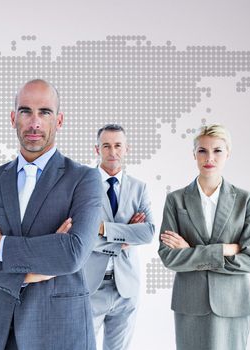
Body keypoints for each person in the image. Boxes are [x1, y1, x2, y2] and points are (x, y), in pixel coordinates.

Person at [0, 79, 101, 350]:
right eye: (25, 111)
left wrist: (0, 245)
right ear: (13, 118)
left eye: (44, 112)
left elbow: (72, 254)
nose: (34, 122)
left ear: (59, 120)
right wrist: (26, 275)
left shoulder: (84, 179)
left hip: (59, 328)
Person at [158, 124, 250, 350]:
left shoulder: (245, 200)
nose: (209, 158)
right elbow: (168, 257)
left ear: (228, 153)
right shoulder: (176, 200)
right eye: (202, 150)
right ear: (193, 154)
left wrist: (190, 252)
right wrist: (224, 249)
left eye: (217, 151)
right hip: (190, 303)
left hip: (234, 303)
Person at [82, 124, 155, 350]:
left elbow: (148, 232)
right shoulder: (82, 185)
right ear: (97, 149)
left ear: (126, 149)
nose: (112, 152)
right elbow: (81, 234)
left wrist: (104, 228)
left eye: (117, 146)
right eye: (106, 146)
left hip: (126, 289)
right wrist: (125, 236)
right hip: (90, 286)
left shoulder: (139, 188)